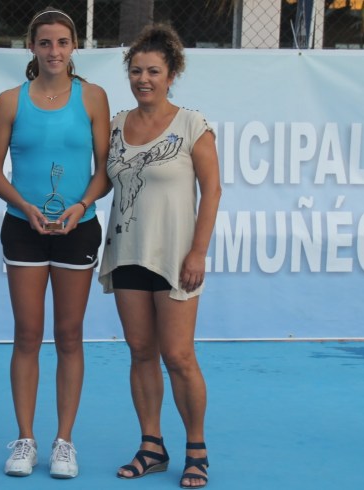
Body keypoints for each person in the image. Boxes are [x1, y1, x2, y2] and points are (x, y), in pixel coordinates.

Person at [0, 7, 110, 480]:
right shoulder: (9, 101)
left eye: (62, 43)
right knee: (28, 334)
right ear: (31, 48)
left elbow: (104, 170)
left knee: (70, 335)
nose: (53, 51)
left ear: (73, 47)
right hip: (24, 228)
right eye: (45, 43)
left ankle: (63, 441)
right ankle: (26, 439)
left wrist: (80, 206)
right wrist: (25, 206)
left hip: (80, 229)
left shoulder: (94, 98)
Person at [97, 23, 221, 489]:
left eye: (153, 71)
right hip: (126, 253)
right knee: (141, 352)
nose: (143, 78)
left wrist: (198, 252)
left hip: (176, 259)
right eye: (136, 70)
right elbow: (103, 182)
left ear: (172, 75)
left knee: (179, 355)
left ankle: (196, 450)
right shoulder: (115, 125)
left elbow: (212, 191)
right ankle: (151, 446)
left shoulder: (194, 125)